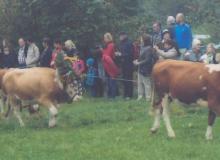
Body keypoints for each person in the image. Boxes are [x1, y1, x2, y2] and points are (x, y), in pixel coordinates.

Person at [134, 34, 156, 101]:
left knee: (147, 84)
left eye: (141, 39)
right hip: (140, 68)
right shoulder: (142, 47)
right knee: (139, 83)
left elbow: (148, 60)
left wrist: (138, 63)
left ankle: (148, 97)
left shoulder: (149, 48)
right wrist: (137, 60)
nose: (140, 40)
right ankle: (140, 96)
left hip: (146, 68)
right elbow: (141, 57)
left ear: (145, 40)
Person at [101, 32, 120, 99]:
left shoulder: (111, 45)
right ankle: (109, 95)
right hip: (106, 65)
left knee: (112, 81)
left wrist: (103, 54)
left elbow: (108, 55)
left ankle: (113, 96)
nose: (104, 39)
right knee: (108, 81)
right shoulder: (106, 45)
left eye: (105, 38)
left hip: (111, 64)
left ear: (108, 38)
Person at [119, 32, 134, 99]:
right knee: (124, 79)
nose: (120, 37)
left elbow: (130, 54)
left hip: (128, 64)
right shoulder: (121, 43)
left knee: (128, 79)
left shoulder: (129, 43)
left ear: (125, 36)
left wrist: (121, 55)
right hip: (123, 64)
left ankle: (129, 95)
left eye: (121, 36)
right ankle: (125, 94)